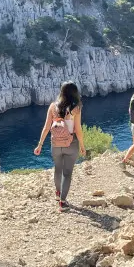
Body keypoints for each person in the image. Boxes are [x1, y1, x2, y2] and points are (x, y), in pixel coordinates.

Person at [34, 81, 86, 212]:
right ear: (75, 93)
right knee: (67, 173)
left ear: (61, 92)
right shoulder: (76, 109)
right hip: (71, 143)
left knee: (58, 169)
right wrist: (82, 145)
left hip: (55, 143)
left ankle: (58, 195)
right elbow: (78, 129)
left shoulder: (53, 106)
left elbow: (46, 127)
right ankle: (63, 202)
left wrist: (39, 145)